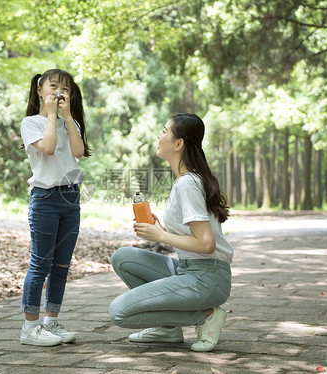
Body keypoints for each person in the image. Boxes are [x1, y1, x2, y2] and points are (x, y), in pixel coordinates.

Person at [108, 113, 233, 352]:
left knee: (119, 312)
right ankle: (167, 329)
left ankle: (206, 315)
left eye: (165, 130)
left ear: (179, 144)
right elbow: (195, 236)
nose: (159, 135)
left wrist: (161, 236)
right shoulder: (187, 181)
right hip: (190, 268)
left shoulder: (187, 184)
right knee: (122, 258)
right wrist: (162, 229)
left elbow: (206, 244)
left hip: (208, 277)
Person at [19, 68, 91, 346]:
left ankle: (51, 322)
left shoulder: (69, 124)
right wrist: (51, 116)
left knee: (61, 266)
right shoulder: (32, 123)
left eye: (65, 88)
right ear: (40, 90)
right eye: (53, 86)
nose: (58, 92)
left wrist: (67, 117)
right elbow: (47, 149)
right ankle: (30, 328)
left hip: (70, 198)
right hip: (45, 199)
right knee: (40, 265)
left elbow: (77, 151)